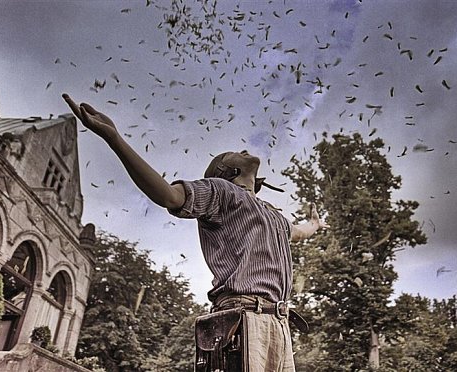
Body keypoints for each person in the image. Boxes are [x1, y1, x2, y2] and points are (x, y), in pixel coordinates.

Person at [62, 94, 328, 371]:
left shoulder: (272, 214)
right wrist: (114, 138)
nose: (245, 150)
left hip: (280, 325)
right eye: (234, 152)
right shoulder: (221, 191)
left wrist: (315, 225)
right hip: (244, 318)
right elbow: (169, 196)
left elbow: (297, 232)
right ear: (226, 170)